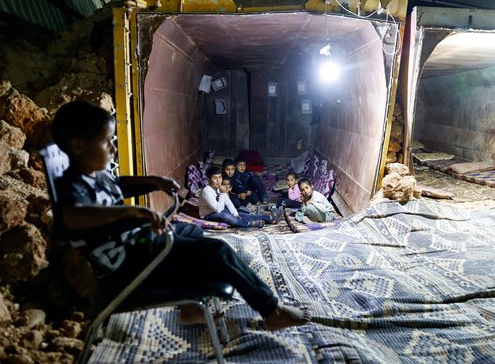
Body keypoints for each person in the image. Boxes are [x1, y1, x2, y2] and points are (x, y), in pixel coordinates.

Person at [50, 100, 310, 330]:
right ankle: (271, 311)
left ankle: (191, 307)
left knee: (192, 231)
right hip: (128, 262)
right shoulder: (71, 186)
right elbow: (72, 216)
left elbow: (118, 184)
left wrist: (154, 181)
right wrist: (131, 211)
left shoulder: (94, 174)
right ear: (78, 146)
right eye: (106, 141)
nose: (113, 148)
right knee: (218, 251)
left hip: (140, 244)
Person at [199, 166, 273, 228]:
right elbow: (218, 210)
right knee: (226, 216)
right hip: (208, 216)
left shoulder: (219, 188)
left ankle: (268, 218)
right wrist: (222, 193)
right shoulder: (206, 191)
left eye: (220, 177)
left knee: (240, 213)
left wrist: (236, 215)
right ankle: (249, 224)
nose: (218, 181)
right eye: (215, 178)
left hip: (221, 211)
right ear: (209, 180)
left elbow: (228, 203)